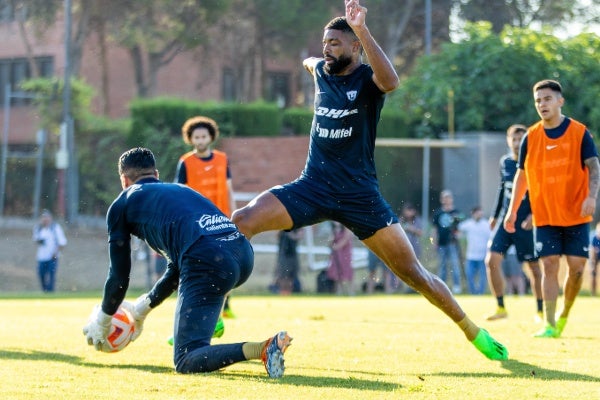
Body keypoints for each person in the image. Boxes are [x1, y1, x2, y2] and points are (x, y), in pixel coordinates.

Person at [231, 0, 507, 361]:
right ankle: (219, 306)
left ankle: (474, 331)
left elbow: (391, 81)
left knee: (414, 273)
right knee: (241, 221)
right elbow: (310, 62)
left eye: (335, 43)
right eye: (325, 42)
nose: (327, 49)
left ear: (354, 47)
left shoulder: (368, 80)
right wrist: (310, 61)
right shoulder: (321, 71)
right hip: (312, 186)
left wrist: (360, 27)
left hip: (359, 196)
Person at [82, 147, 292, 377]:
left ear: (123, 179)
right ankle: (208, 335)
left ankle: (262, 348)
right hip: (241, 254)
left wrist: (104, 319)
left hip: (209, 261)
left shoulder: (121, 204)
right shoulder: (180, 190)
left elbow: (119, 276)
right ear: (156, 174)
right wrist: (142, 309)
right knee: (197, 334)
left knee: (186, 358)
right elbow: (177, 267)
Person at [504, 79, 600, 338]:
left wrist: (592, 196)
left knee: (577, 269)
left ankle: (564, 313)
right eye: (538, 100)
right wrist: (512, 211)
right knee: (549, 265)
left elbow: (594, 166)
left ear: (560, 101)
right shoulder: (531, 137)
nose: (542, 104)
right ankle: (549, 323)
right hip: (545, 215)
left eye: (547, 99)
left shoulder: (579, 132)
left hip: (577, 214)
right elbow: (521, 177)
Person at [175, 115, 237, 318]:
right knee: (200, 265)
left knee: (226, 264)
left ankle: (226, 305)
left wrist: (235, 214)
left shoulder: (222, 159)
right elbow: (181, 194)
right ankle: (199, 305)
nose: (200, 140)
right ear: (190, 139)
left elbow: (228, 190)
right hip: (197, 224)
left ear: (211, 137)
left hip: (222, 220)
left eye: (204, 136)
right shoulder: (185, 162)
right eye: (196, 137)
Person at [486, 124, 543, 321]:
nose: (517, 143)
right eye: (514, 139)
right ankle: (501, 307)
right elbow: (503, 189)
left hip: (525, 224)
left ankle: (540, 310)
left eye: (521, 139)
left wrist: (533, 215)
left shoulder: (534, 161)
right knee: (491, 260)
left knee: (534, 268)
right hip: (505, 221)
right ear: (508, 141)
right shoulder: (505, 162)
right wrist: (494, 215)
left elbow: (540, 192)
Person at [431, 190, 464, 294]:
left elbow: (460, 229)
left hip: (452, 243)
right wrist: (434, 242)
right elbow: (434, 229)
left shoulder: (456, 212)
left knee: (455, 265)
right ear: (441, 200)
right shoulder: (438, 213)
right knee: (442, 266)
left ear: (451, 199)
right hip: (441, 243)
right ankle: (442, 287)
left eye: (448, 197)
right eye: (444, 198)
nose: (446, 200)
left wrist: (458, 235)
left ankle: (457, 286)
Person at [457, 206, 491, 295]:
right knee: (469, 275)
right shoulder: (468, 224)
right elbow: (458, 228)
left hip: (483, 255)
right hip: (471, 256)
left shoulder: (486, 224)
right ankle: (473, 292)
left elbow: (491, 237)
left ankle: (480, 293)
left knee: (482, 276)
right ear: (473, 214)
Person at [32, 209, 67, 292]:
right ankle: (45, 291)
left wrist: (56, 252)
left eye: (47, 217)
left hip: (52, 257)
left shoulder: (55, 228)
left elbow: (62, 242)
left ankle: (50, 292)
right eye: (43, 218)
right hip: (41, 257)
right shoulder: (38, 228)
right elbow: (35, 239)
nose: (45, 220)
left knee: (51, 275)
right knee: (41, 274)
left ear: (50, 218)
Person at [272, 229, 303, 295]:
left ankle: (288, 293)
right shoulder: (282, 228)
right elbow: (277, 236)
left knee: (291, 276)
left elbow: (299, 236)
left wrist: (290, 233)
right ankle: (282, 292)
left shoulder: (296, 227)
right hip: (283, 255)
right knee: (283, 276)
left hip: (292, 254)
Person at [326, 221, 355, 296]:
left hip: (345, 254)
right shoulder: (334, 229)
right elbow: (329, 242)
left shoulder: (346, 228)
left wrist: (336, 247)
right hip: (336, 254)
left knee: (347, 272)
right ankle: (339, 292)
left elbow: (346, 239)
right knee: (337, 273)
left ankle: (350, 292)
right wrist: (332, 237)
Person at [588, 222, 600, 296]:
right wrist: (593, 265)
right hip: (594, 256)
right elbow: (592, 252)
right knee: (593, 274)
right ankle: (593, 293)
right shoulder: (593, 237)